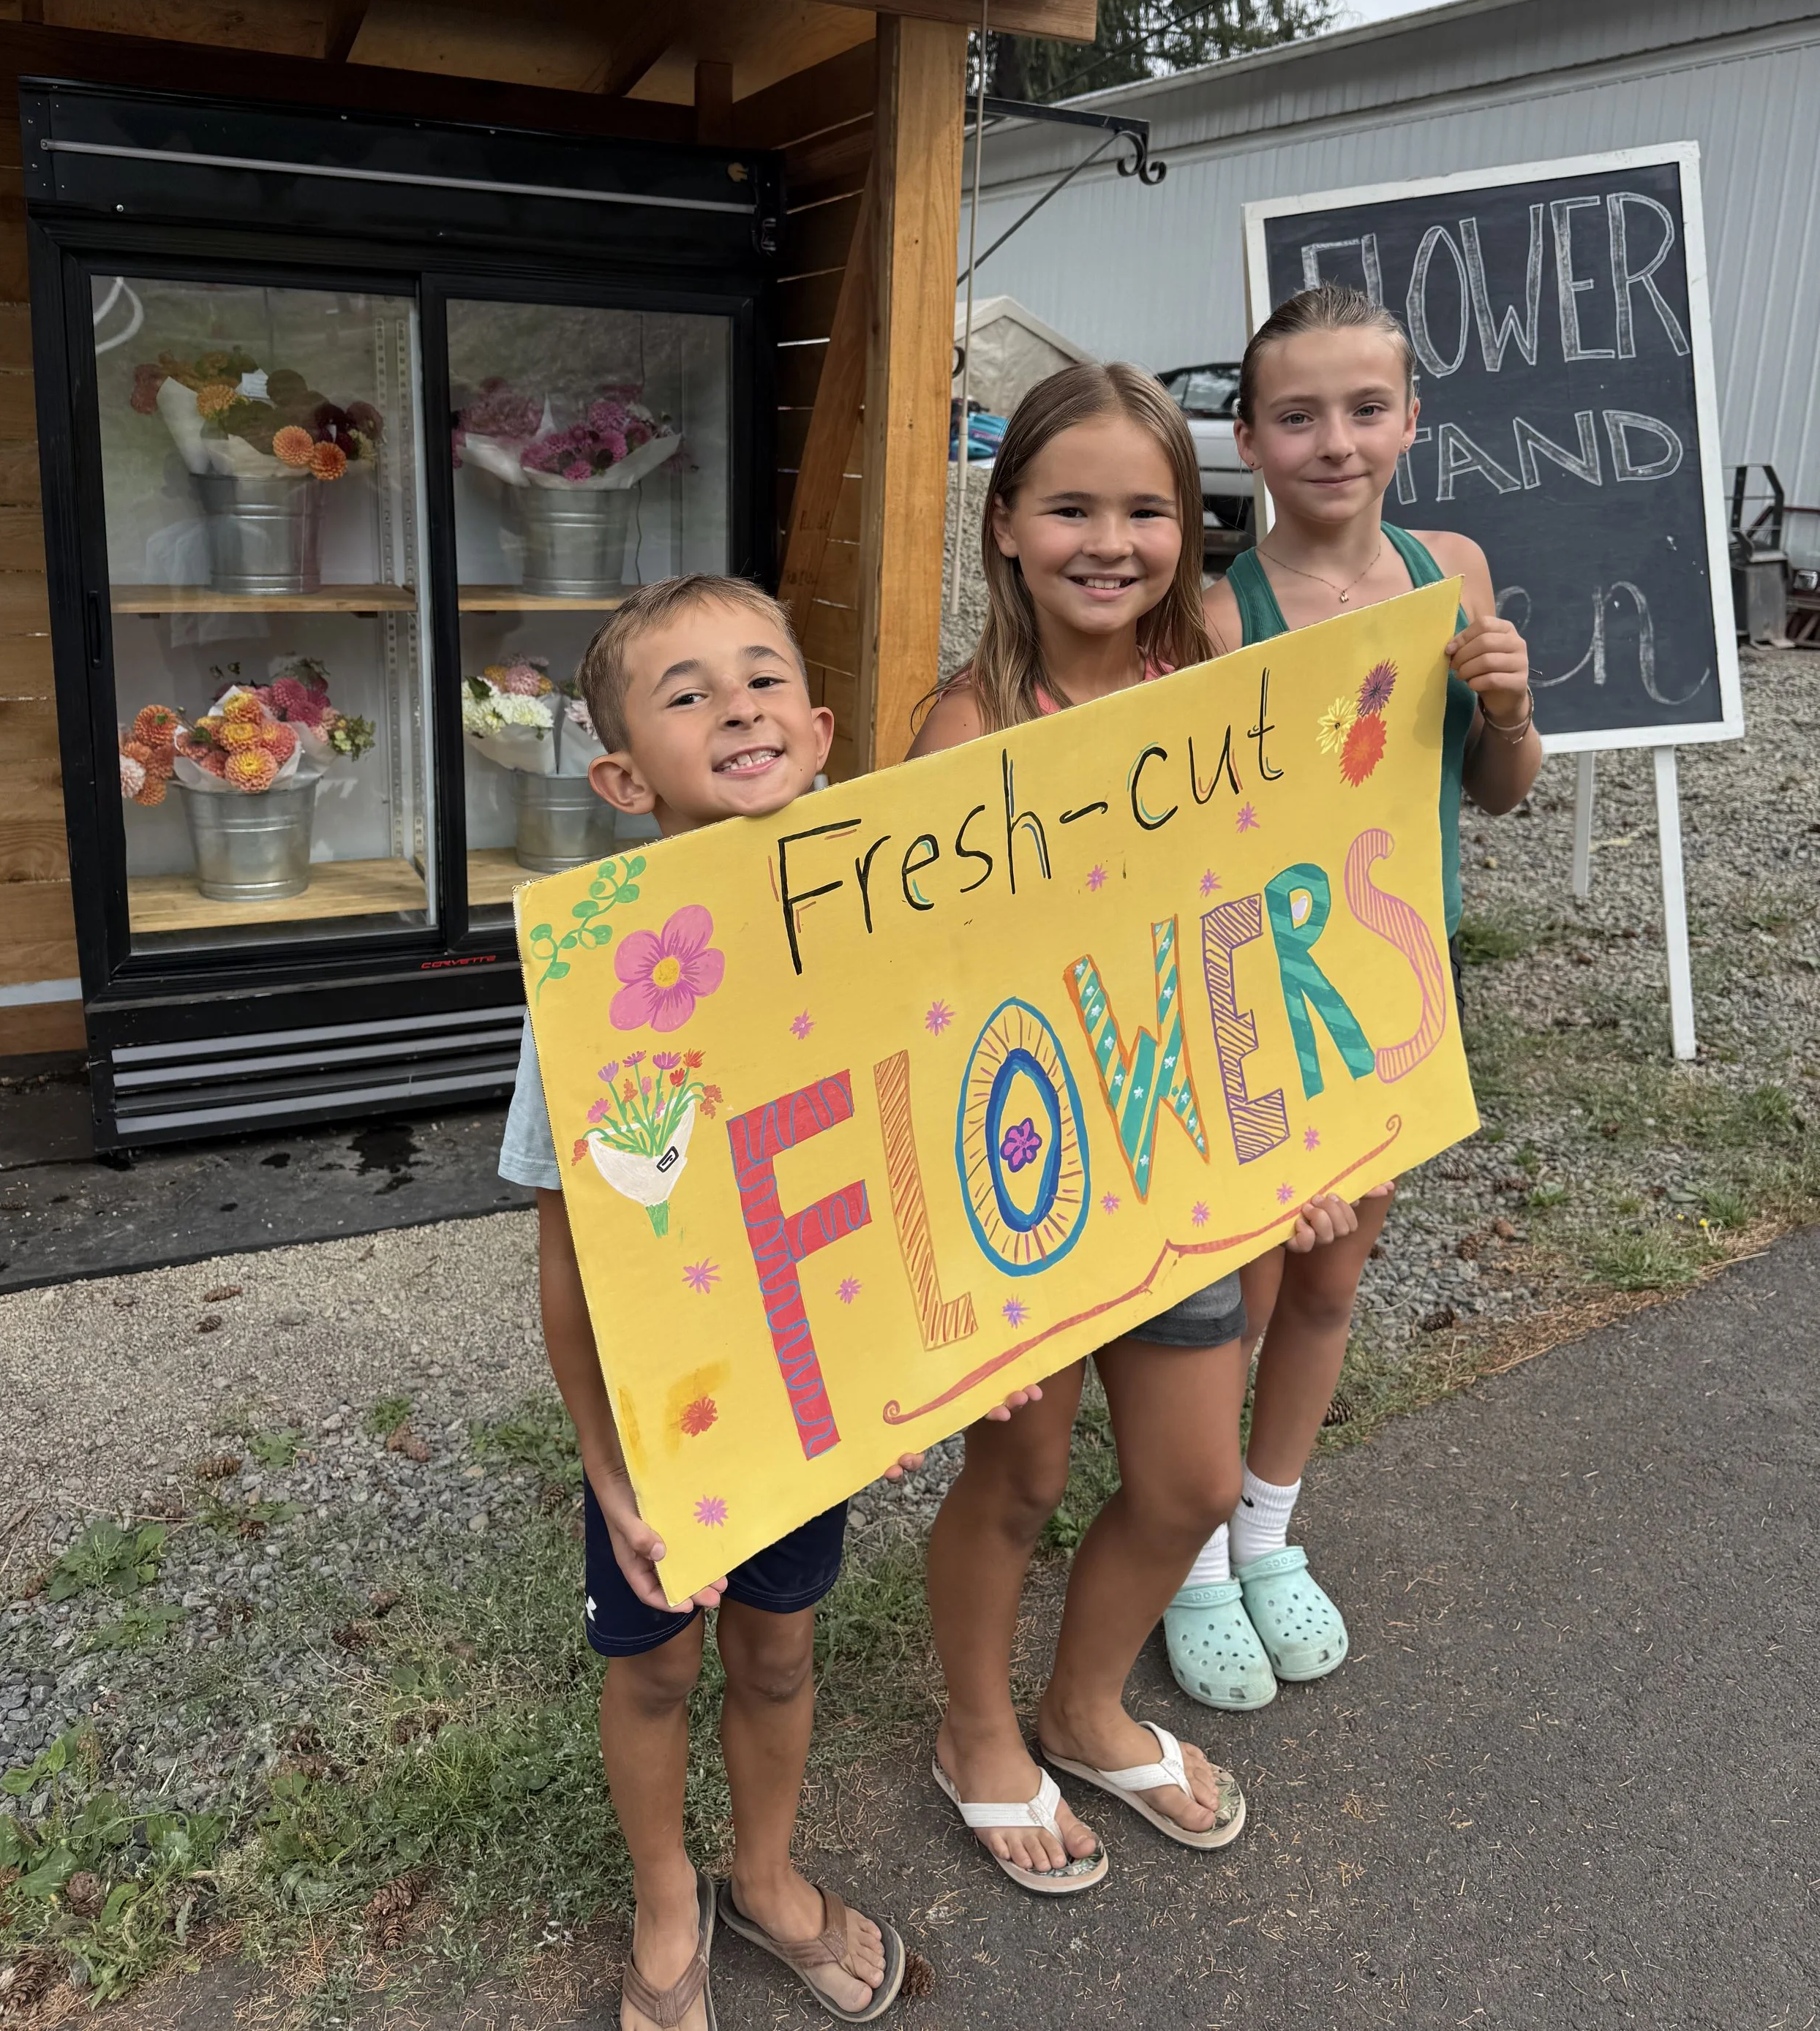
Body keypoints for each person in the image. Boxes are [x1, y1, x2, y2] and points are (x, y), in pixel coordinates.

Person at [910, 364, 1358, 1891]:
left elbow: (1247, 922)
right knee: (1021, 1477)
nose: (1110, 540)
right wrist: (975, 1268)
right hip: (1025, 1185)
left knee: (1187, 1485)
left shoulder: (1217, 688)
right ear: (1004, 524)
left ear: (1191, 522)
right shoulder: (962, 726)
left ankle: (1081, 1702)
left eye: (1146, 508)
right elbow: (927, 1005)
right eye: (1070, 506)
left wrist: (1282, 1137)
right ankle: (978, 1728)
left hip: (1184, 1163)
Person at [499, 573, 917, 2031]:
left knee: (784, 1642)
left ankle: (763, 1869)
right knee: (658, 1660)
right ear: (621, 776)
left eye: (760, 679)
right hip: (662, 1423)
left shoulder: (869, 946)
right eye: (686, 693)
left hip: (813, 1403)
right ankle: (664, 1888)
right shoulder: (595, 988)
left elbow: (897, 1166)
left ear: (815, 731)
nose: (734, 703)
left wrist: (928, 1357)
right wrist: (608, 1468)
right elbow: (569, 1263)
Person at [1164, 285, 1543, 1715]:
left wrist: (1507, 708)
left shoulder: (1452, 567)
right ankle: (1193, 1557)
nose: (1334, 440)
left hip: (1396, 990)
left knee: (1332, 1281)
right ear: (1247, 440)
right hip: (1258, 1001)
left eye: (1363, 408)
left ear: (1410, 422)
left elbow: (1493, 795)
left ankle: (1266, 1532)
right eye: (1296, 415)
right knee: (1244, 1290)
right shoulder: (1211, 613)